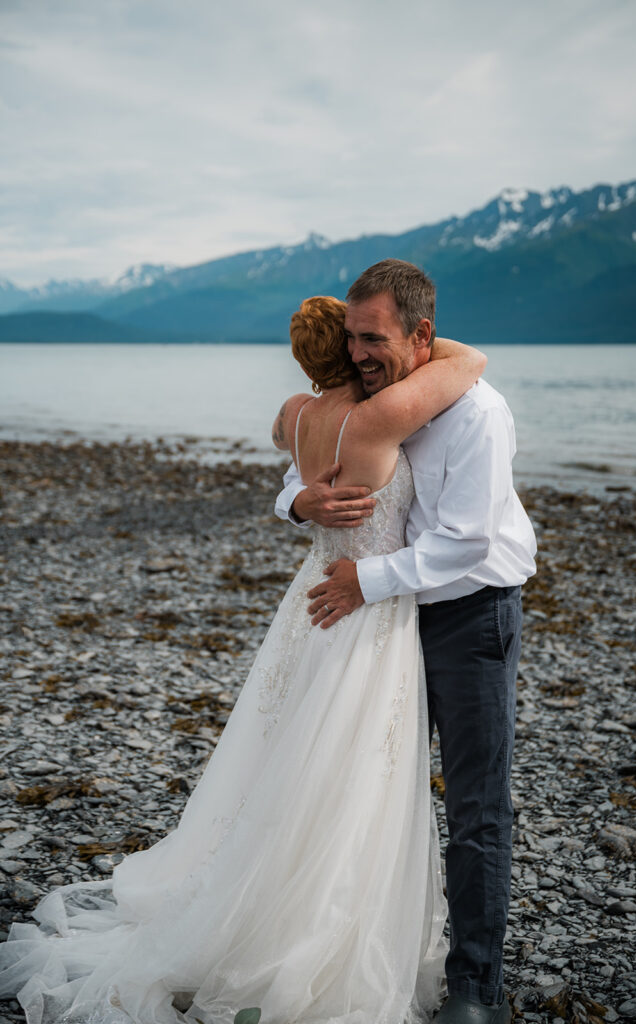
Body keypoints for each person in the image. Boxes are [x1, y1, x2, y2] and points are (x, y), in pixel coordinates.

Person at [0, 295, 487, 1024]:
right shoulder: (382, 415)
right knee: (347, 765)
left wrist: (299, 498)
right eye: (355, 341)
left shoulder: (297, 413)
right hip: (363, 607)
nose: (363, 353)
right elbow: (470, 362)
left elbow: (278, 436)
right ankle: (314, 919)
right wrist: (408, 338)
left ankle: (256, 887)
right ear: (349, 349)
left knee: (285, 746)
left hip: (306, 601)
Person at [275, 260, 537, 1024]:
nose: (357, 353)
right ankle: (353, 949)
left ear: (422, 335)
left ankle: (473, 990)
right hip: (389, 622)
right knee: (368, 788)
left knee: (476, 805)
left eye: (374, 338)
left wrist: (367, 580)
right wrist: (300, 500)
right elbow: (294, 463)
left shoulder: (477, 413)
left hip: (468, 615)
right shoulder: (378, 398)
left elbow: (466, 540)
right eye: (352, 337)